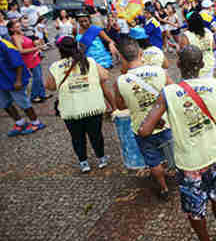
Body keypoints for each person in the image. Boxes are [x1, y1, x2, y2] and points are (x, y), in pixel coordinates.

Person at [138, 45, 216, 241]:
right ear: (202, 65)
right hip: (212, 153)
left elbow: (144, 130)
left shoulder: (168, 93)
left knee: (195, 207)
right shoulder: (215, 85)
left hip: (189, 161)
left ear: (178, 65)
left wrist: (162, 121)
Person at [114, 36, 174, 200]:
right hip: (165, 123)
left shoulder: (120, 81)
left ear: (121, 57)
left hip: (141, 128)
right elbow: (173, 92)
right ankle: (181, 180)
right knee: (173, 154)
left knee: (152, 160)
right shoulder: (159, 71)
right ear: (141, 53)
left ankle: (163, 188)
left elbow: (120, 106)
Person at [46, 36, 114, 172]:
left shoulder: (55, 66)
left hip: (71, 109)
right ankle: (101, 158)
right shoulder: (89, 61)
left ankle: (83, 162)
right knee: (96, 134)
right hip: (92, 106)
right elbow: (105, 76)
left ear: (60, 50)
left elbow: (50, 86)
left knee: (77, 137)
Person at [1, 36, 45, 136]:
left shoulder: (5, 45)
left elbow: (19, 63)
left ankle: (36, 122)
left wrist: (18, 80)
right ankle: (20, 122)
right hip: (2, 81)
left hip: (14, 80)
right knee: (5, 104)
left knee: (23, 103)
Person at [7, 20, 50, 104]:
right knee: (37, 78)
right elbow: (21, 51)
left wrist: (36, 43)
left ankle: (42, 94)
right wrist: (37, 48)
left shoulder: (21, 34)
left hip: (34, 57)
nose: (20, 28)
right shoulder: (15, 37)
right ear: (12, 29)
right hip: (29, 60)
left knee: (39, 76)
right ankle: (33, 96)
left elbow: (29, 43)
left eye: (20, 26)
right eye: (17, 27)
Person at [179, 13, 215, 79]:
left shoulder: (186, 35)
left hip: (194, 68)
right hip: (209, 64)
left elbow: (183, 54)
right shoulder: (208, 32)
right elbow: (213, 46)